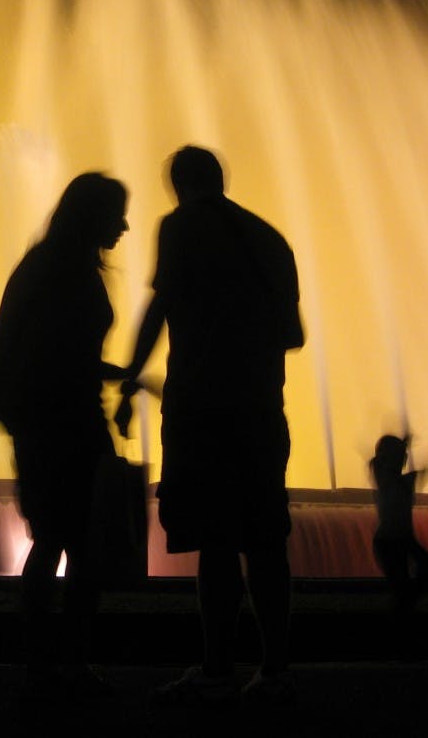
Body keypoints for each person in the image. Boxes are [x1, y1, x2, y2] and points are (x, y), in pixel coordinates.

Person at [114, 145, 303, 705]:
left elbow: (161, 304)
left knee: (215, 542)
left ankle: (217, 667)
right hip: (261, 409)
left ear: (178, 186)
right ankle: (275, 668)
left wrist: (131, 374)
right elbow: (293, 335)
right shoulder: (270, 239)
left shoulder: (182, 225)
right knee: (265, 540)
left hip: (201, 410)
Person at [0, 172, 130, 695]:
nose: (124, 226)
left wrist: (114, 373)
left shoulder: (50, 265)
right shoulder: (61, 269)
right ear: (91, 216)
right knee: (73, 543)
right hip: (63, 422)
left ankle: (48, 663)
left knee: (63, 541)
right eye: (116, 214)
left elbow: (45, 347)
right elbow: (49, 353)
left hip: (53, 419)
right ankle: (61, 662)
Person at [368, 433, 428, 616]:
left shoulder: (405, 480)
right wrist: (401, 444)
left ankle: (405, 604)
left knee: (426, 573)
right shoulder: (384, 479)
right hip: (389, 542)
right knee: (407, 584)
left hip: (402, 540)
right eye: (400, 456)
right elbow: (376, 461)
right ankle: (405, 606)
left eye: (404, 456)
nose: (404, 460)